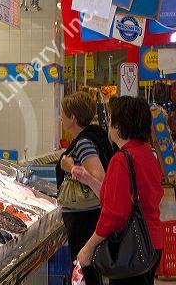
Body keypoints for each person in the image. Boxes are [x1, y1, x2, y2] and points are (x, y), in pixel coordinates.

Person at [74, 96, 163, 285]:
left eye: (111, 118)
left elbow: (115, 214)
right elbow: (124, 198)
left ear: (119, 126)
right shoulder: (147, 153)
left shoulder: (121, 160)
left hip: (130, 247)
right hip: (151, 242)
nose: (108, 123)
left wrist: (88, 247)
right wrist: (89, 180)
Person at [56, 92, 115, 285]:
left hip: (85, 218)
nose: (60, 117)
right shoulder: (92, 137)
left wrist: (70, 167)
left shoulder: (83, 143)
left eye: (63, 113)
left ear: (73, 117)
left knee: (86, 270)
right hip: (86, 216)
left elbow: (99, 179)